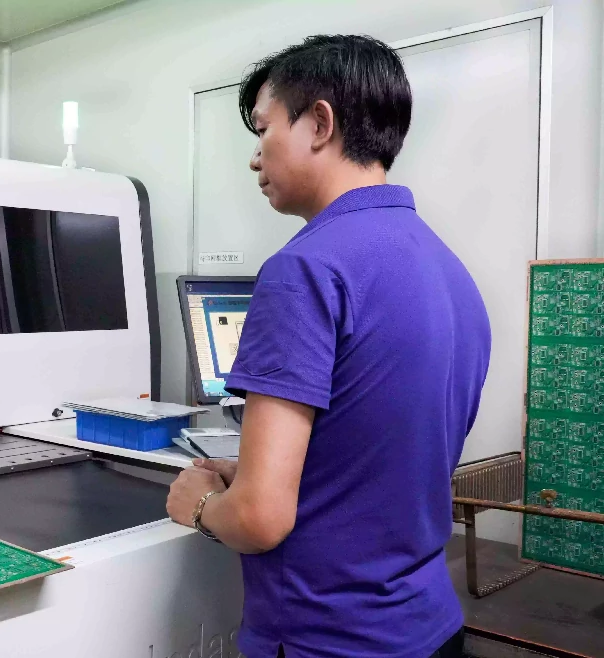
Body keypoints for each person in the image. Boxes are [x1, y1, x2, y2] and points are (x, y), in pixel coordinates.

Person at [166, 35, 490, 658]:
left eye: (262, 130)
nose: (255, 159)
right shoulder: (449, 269)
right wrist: (263, 473)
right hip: (431, 629)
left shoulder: (304, 268)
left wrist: (202, 502)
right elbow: (383, 465)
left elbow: (259, 520)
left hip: (328, 637)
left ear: (319, 123)